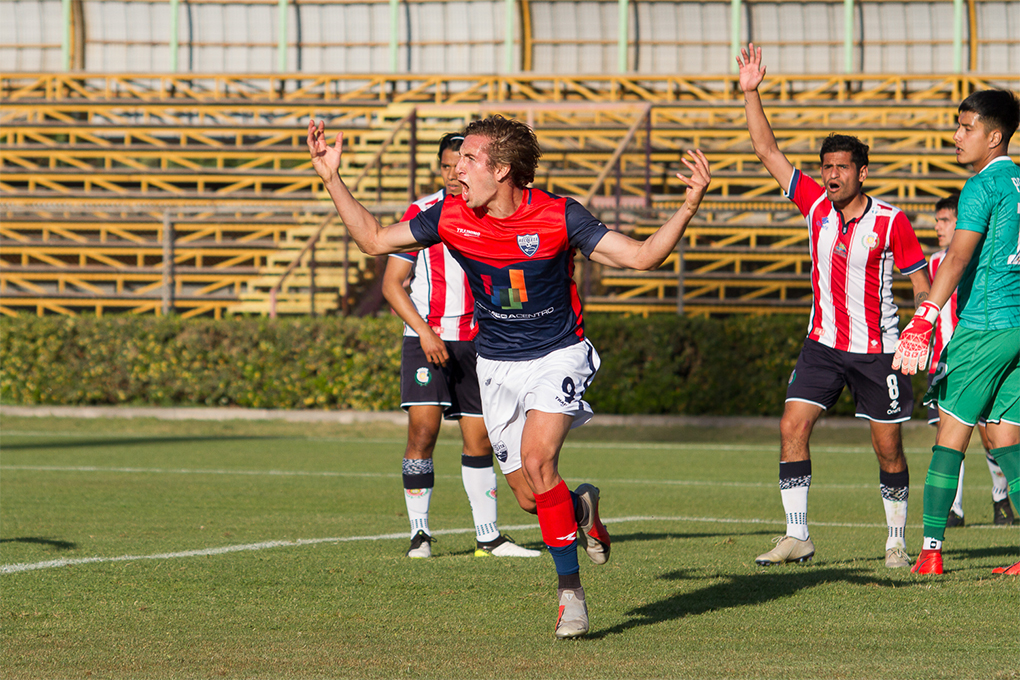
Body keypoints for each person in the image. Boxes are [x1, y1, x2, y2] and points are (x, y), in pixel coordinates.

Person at [309, 114, 712, 637]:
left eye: (470, 161)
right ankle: (580, 507)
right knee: (530, 496)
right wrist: (331, 178)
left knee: (537, 460)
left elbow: (642, 257)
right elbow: (372, 240)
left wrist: (689, 203)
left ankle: (571, 597)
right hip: (494, 366)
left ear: (501, 170)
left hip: (557, 355)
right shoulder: (450, 216)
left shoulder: (559, 215)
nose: (458, 172)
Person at [737, 43, 931, 569]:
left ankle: (895, 540)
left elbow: (922, 283)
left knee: (887, 447)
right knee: (791, 427)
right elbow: (767, 152)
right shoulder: (814, 205)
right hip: (822, 344)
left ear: (861, 172)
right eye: (826, 167)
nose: (831, 176)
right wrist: (752, 92)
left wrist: (920, 332)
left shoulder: (892, 222)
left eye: (842, 168)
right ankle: (797, 535)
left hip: (878, 350)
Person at [382, 133, 541, 560]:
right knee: (423, 432)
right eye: (449, 165)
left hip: (478, 341)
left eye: (464, 163)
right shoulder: (423, 213)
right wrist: (426, 332)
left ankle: (487, 537)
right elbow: (391, 283)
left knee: (481, 439)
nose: (456, 173)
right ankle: (420, 534)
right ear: (440, 168)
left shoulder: (491, 213)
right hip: (426, 337)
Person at [893, 89, 1020, 576]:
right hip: (1016, 327)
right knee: (1007, 440)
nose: (955, 136)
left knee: (949, 437)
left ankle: (930, 553)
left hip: (985, 325)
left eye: (966, 128)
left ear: (994, 136)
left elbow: (958, 257)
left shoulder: (981, 186)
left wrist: (924, 317)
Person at [925, 194, 1015, 528]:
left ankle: (1000, 496)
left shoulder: (984, 260)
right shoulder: (934, 263)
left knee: (994, 437)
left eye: (945, 220)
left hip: (982, 353)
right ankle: (953, 509)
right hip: (946, 362)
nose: (938, 227)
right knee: (946, 436)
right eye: (937, 221)